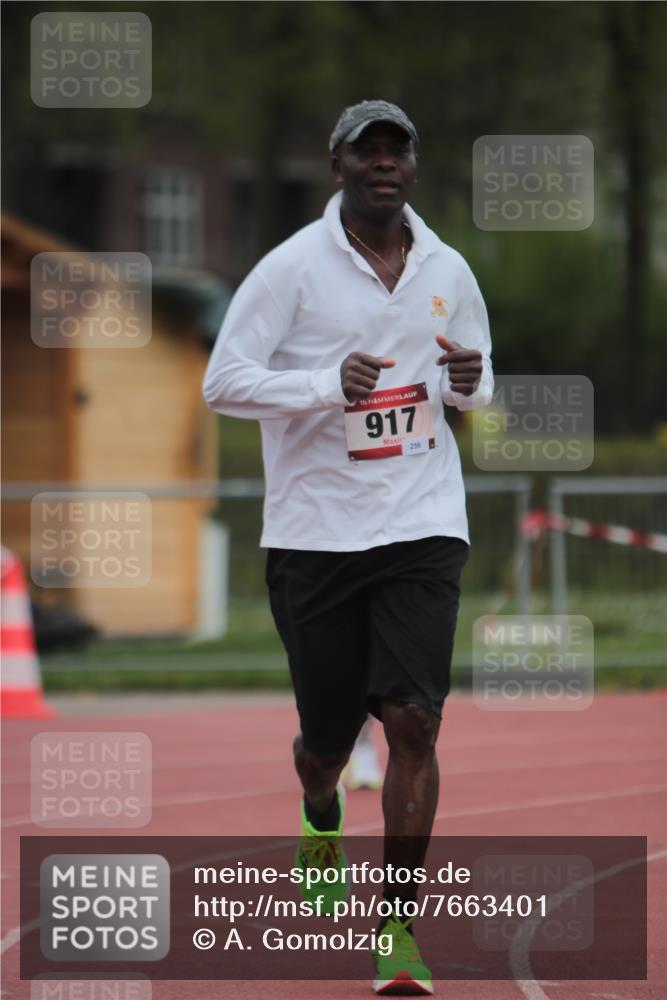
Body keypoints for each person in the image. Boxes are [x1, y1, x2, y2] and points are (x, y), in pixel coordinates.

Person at [203, 99, 493, 997]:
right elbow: (223, 381)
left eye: (395, 151)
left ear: (412, 165)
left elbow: (474, 383)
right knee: (326, 738)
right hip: (316, 532)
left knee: (413, 720)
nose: (382, 164)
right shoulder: (288, 270)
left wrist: (472, 384)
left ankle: (395, 928)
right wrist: (327, 387)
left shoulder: (446, 266)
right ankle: (320, 808)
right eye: (364, 152)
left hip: (420, 519)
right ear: (335, 165)